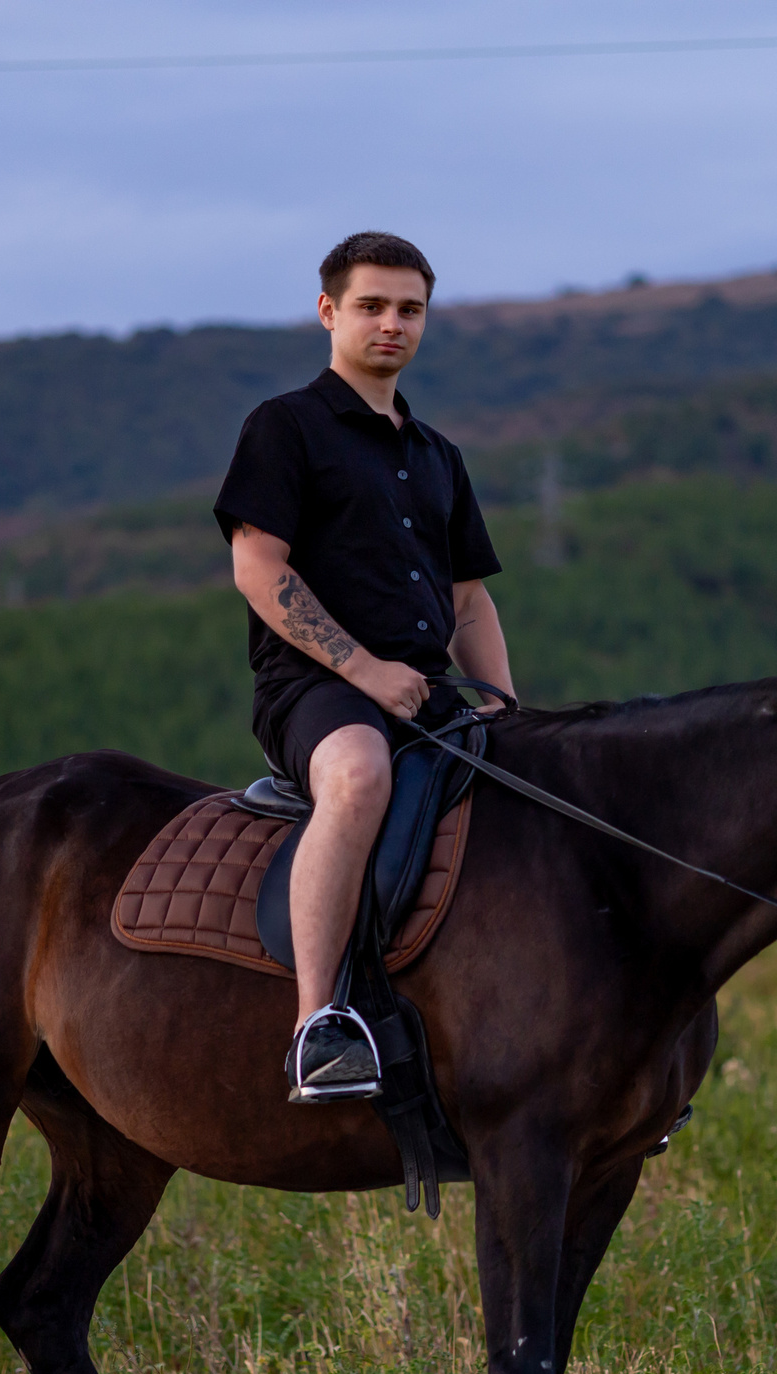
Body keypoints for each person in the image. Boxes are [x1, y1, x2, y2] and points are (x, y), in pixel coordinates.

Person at [215, 231, 515, 1103]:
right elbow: (258, 569)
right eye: (372, 306)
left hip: (428, 693)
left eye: (410, 309)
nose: (393, 324)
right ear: (328, 311)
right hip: (313, 688)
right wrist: (365, 669)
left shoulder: (438, 455)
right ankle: (320, 1026)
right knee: (356, 775)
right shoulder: (285, 427)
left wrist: (508, 707)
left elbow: (469, 603)